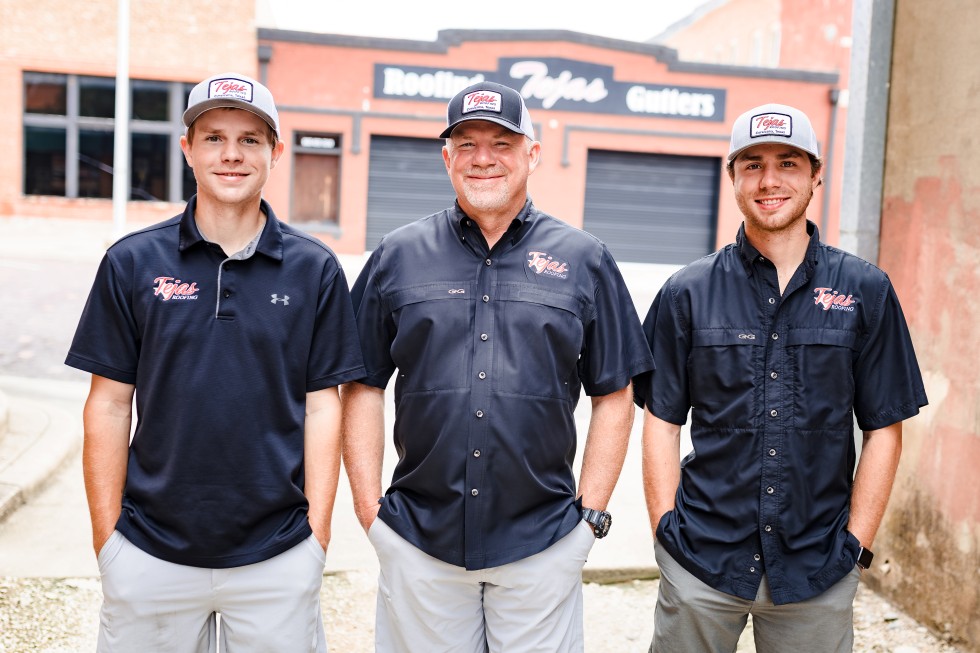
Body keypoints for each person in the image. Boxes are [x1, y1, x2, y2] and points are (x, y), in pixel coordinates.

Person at [341, 81, 654, 652]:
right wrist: (371, 516)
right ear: (446, 156)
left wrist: (590, 521)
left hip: (543, 544)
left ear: (532, 154)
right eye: (466, 143)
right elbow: (361, 385)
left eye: (502, 143)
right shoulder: (396, 255)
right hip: (419, 543)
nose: (483, 158)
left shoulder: (583, 258)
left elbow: (616, 393)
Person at [65, 72, 365, 652]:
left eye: (250, 139)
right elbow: (107, 405)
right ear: (188, 149)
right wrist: (109, 542)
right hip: (149, 551)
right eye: (214, 137)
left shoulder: (315, 270)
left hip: (276, 555)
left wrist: (316, 540)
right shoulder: (131, 262)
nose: (231, 154)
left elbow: (323, 407)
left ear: (276, 153)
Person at [636, 103, 928, 652]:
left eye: (788, 163)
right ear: (733, 178)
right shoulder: (687, 292)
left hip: (816, 567)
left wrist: (856, 546)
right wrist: (665, 530)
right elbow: (661, 419)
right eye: (752, 164)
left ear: (816, 174)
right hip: (702, 561)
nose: (769, 180)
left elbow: (885, 427)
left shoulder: (865, 291)